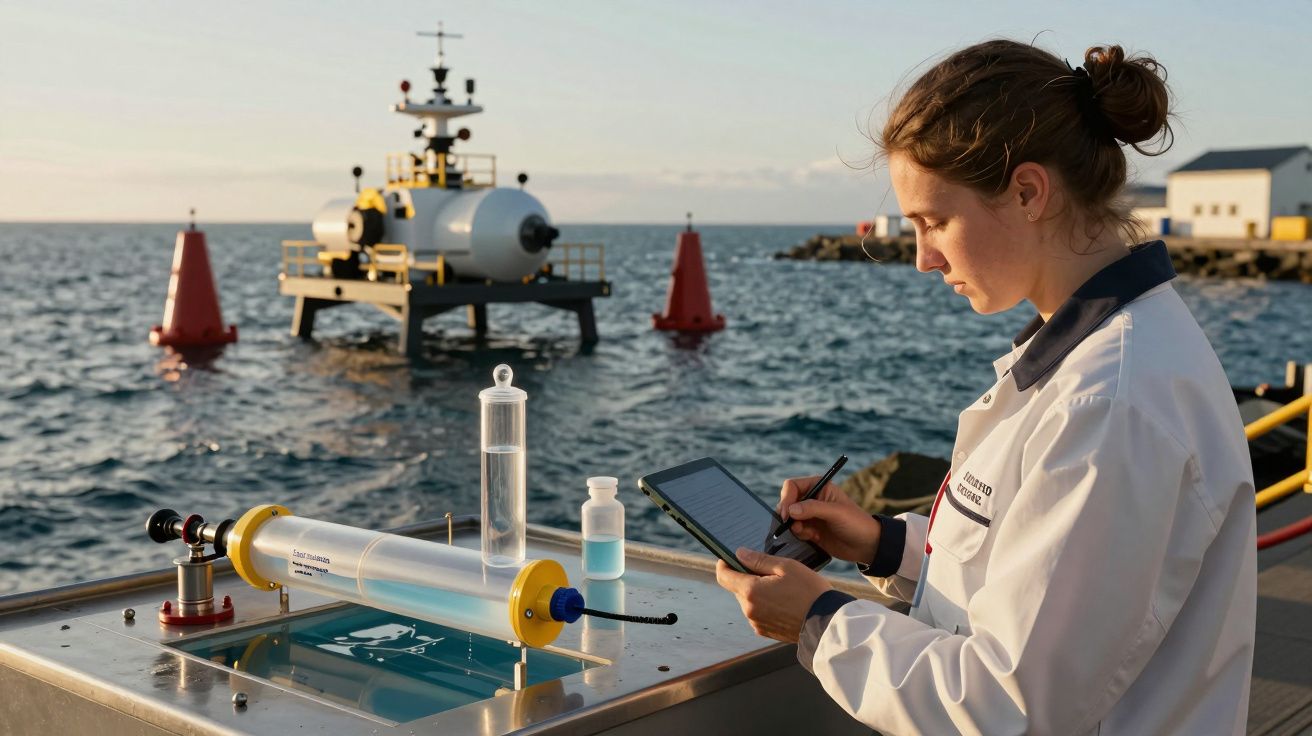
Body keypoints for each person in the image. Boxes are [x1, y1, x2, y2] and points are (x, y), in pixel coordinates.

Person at [715, 40, 1256, 735]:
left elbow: (1011, 707)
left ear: (1029, 192)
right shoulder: (1103, 358)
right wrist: (882, 544)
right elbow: (1033, 581)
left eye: (935, 221)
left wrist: (818, 620)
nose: (922, 258)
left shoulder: (1110, 404)